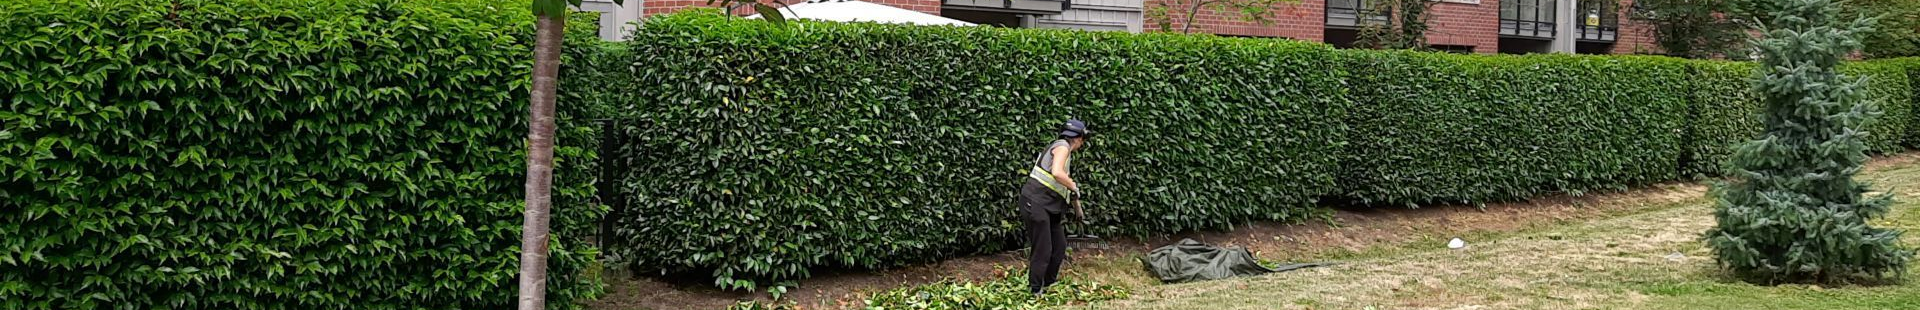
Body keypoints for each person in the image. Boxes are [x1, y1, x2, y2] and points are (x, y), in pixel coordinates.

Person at [1019, 119, 1090, 297]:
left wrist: (1076, 206)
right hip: (1036, 202)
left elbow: (1062, 182)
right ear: (1079, 138)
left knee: (1059, 247)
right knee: (1043, 248)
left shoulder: (1064, 152)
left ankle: (1049, 283)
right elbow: (1057, 173)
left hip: (1050, 206)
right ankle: (1035, 289)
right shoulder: (1062, 147)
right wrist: (1074, 186)